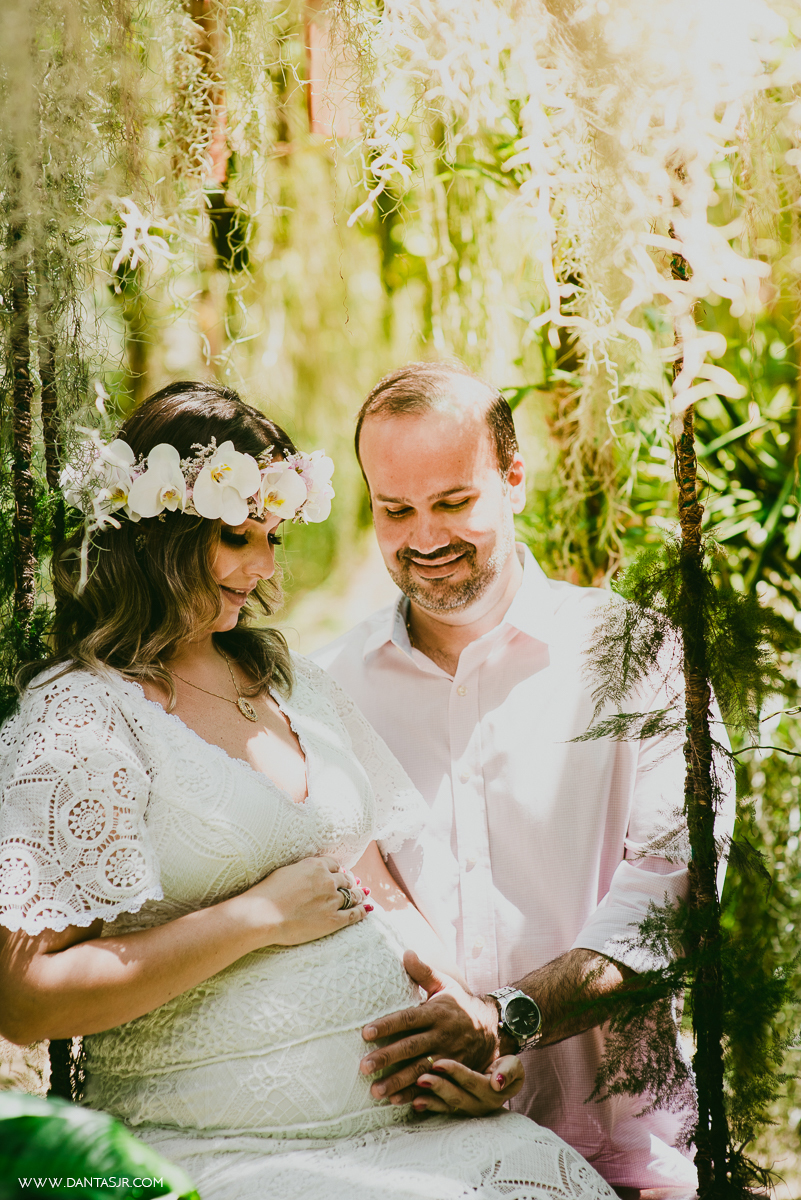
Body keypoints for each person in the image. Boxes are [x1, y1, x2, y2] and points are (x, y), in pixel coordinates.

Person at [0, 382, 617, 1200]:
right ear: (157, 535)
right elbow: (24, 999)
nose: (261, 567)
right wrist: (250, 919)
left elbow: (377, 889)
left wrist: (460, 1030)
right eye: (233, 537)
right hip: (229, 1148)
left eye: (271, 536)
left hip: (418, 1127)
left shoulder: (287, 679)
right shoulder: (79, 717)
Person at [314, 361, 735, 1199]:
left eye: (453, 501)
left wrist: (503, 1023)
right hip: (406, 1155)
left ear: (512, 478)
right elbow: (348, 900)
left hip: (619, 1159)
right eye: (395, 510)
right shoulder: (329, 688)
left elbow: (670, 898)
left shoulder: (641, 658)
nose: (423, 536)